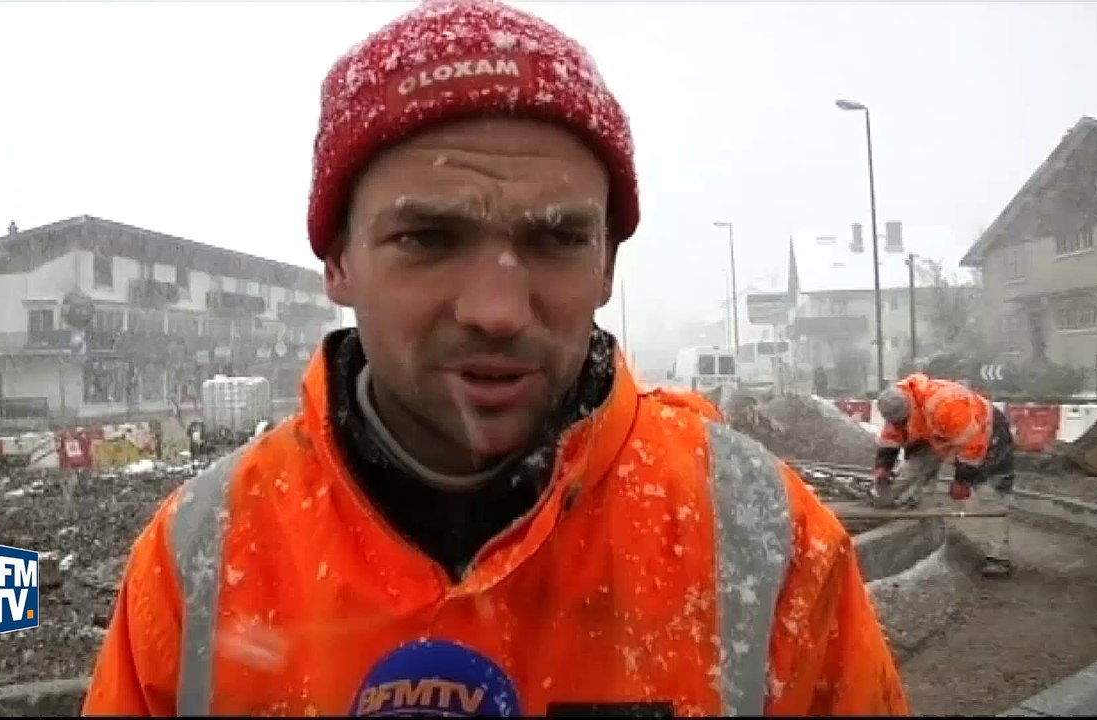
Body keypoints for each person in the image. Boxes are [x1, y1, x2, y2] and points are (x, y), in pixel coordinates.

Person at [82, 1, 909, 716]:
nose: (498, 311)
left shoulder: (764, 537)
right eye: (429, 238)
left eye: (556, 238)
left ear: (607, 267)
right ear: (337, 261)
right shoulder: (201, 555)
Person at [872, 372, 1015, 578]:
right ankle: (910, 511)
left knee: (989, 492)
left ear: (911, 408)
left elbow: (973, 445)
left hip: (985, 431)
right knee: (913, 471)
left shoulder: (947, 405)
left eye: (903, 422)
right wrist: (883, 467)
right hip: (935, 433)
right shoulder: (898, 403)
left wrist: (962, 479)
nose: (899, 426)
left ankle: (999, 557)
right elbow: (891, 439)